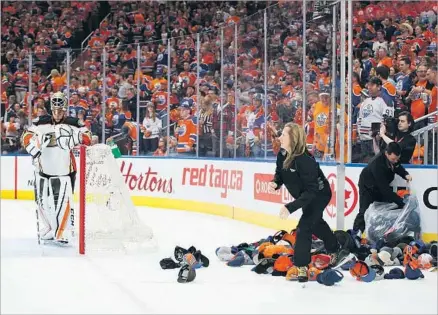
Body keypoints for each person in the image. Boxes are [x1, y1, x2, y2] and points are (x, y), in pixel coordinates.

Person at [268, 122, 351, 282]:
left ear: (293, 138)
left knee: (304, 227)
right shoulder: (282, 154)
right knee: (315, 222)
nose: (280, 137)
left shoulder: (305, 160)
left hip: (319, 195)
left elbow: (312, 191)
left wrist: (290, 207)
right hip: (305, 195)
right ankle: (336, 248)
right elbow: (279, 173)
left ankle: (301, 266)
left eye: (284, 135)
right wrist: (275, 183)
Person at [21, 92, 91, 244]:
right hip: (43, 168)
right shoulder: (40, 121)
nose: (57, 113)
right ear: (51, 109)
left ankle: (62, 230)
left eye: (60, 110)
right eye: (55, 110)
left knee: (63, 200)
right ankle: (48, 227)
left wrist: (74, 138)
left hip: (65, 168)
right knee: (41, 200)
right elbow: (26, 136)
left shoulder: (74, 122)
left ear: (65, 109)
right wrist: (32, 145)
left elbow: (88, 137)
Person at [352, 142, 413, 237]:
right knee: (364, 210)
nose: (396, 161)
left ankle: (381, 233)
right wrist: (401, 202)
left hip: (379, 186)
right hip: (367, 186)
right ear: (386, 154)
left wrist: (405, 174)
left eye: (397, 158)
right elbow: (385, 190)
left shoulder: (393, 159)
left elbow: (397, 166)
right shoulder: (377, 165)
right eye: (393, 159)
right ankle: (356, 234)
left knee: (386, 208)